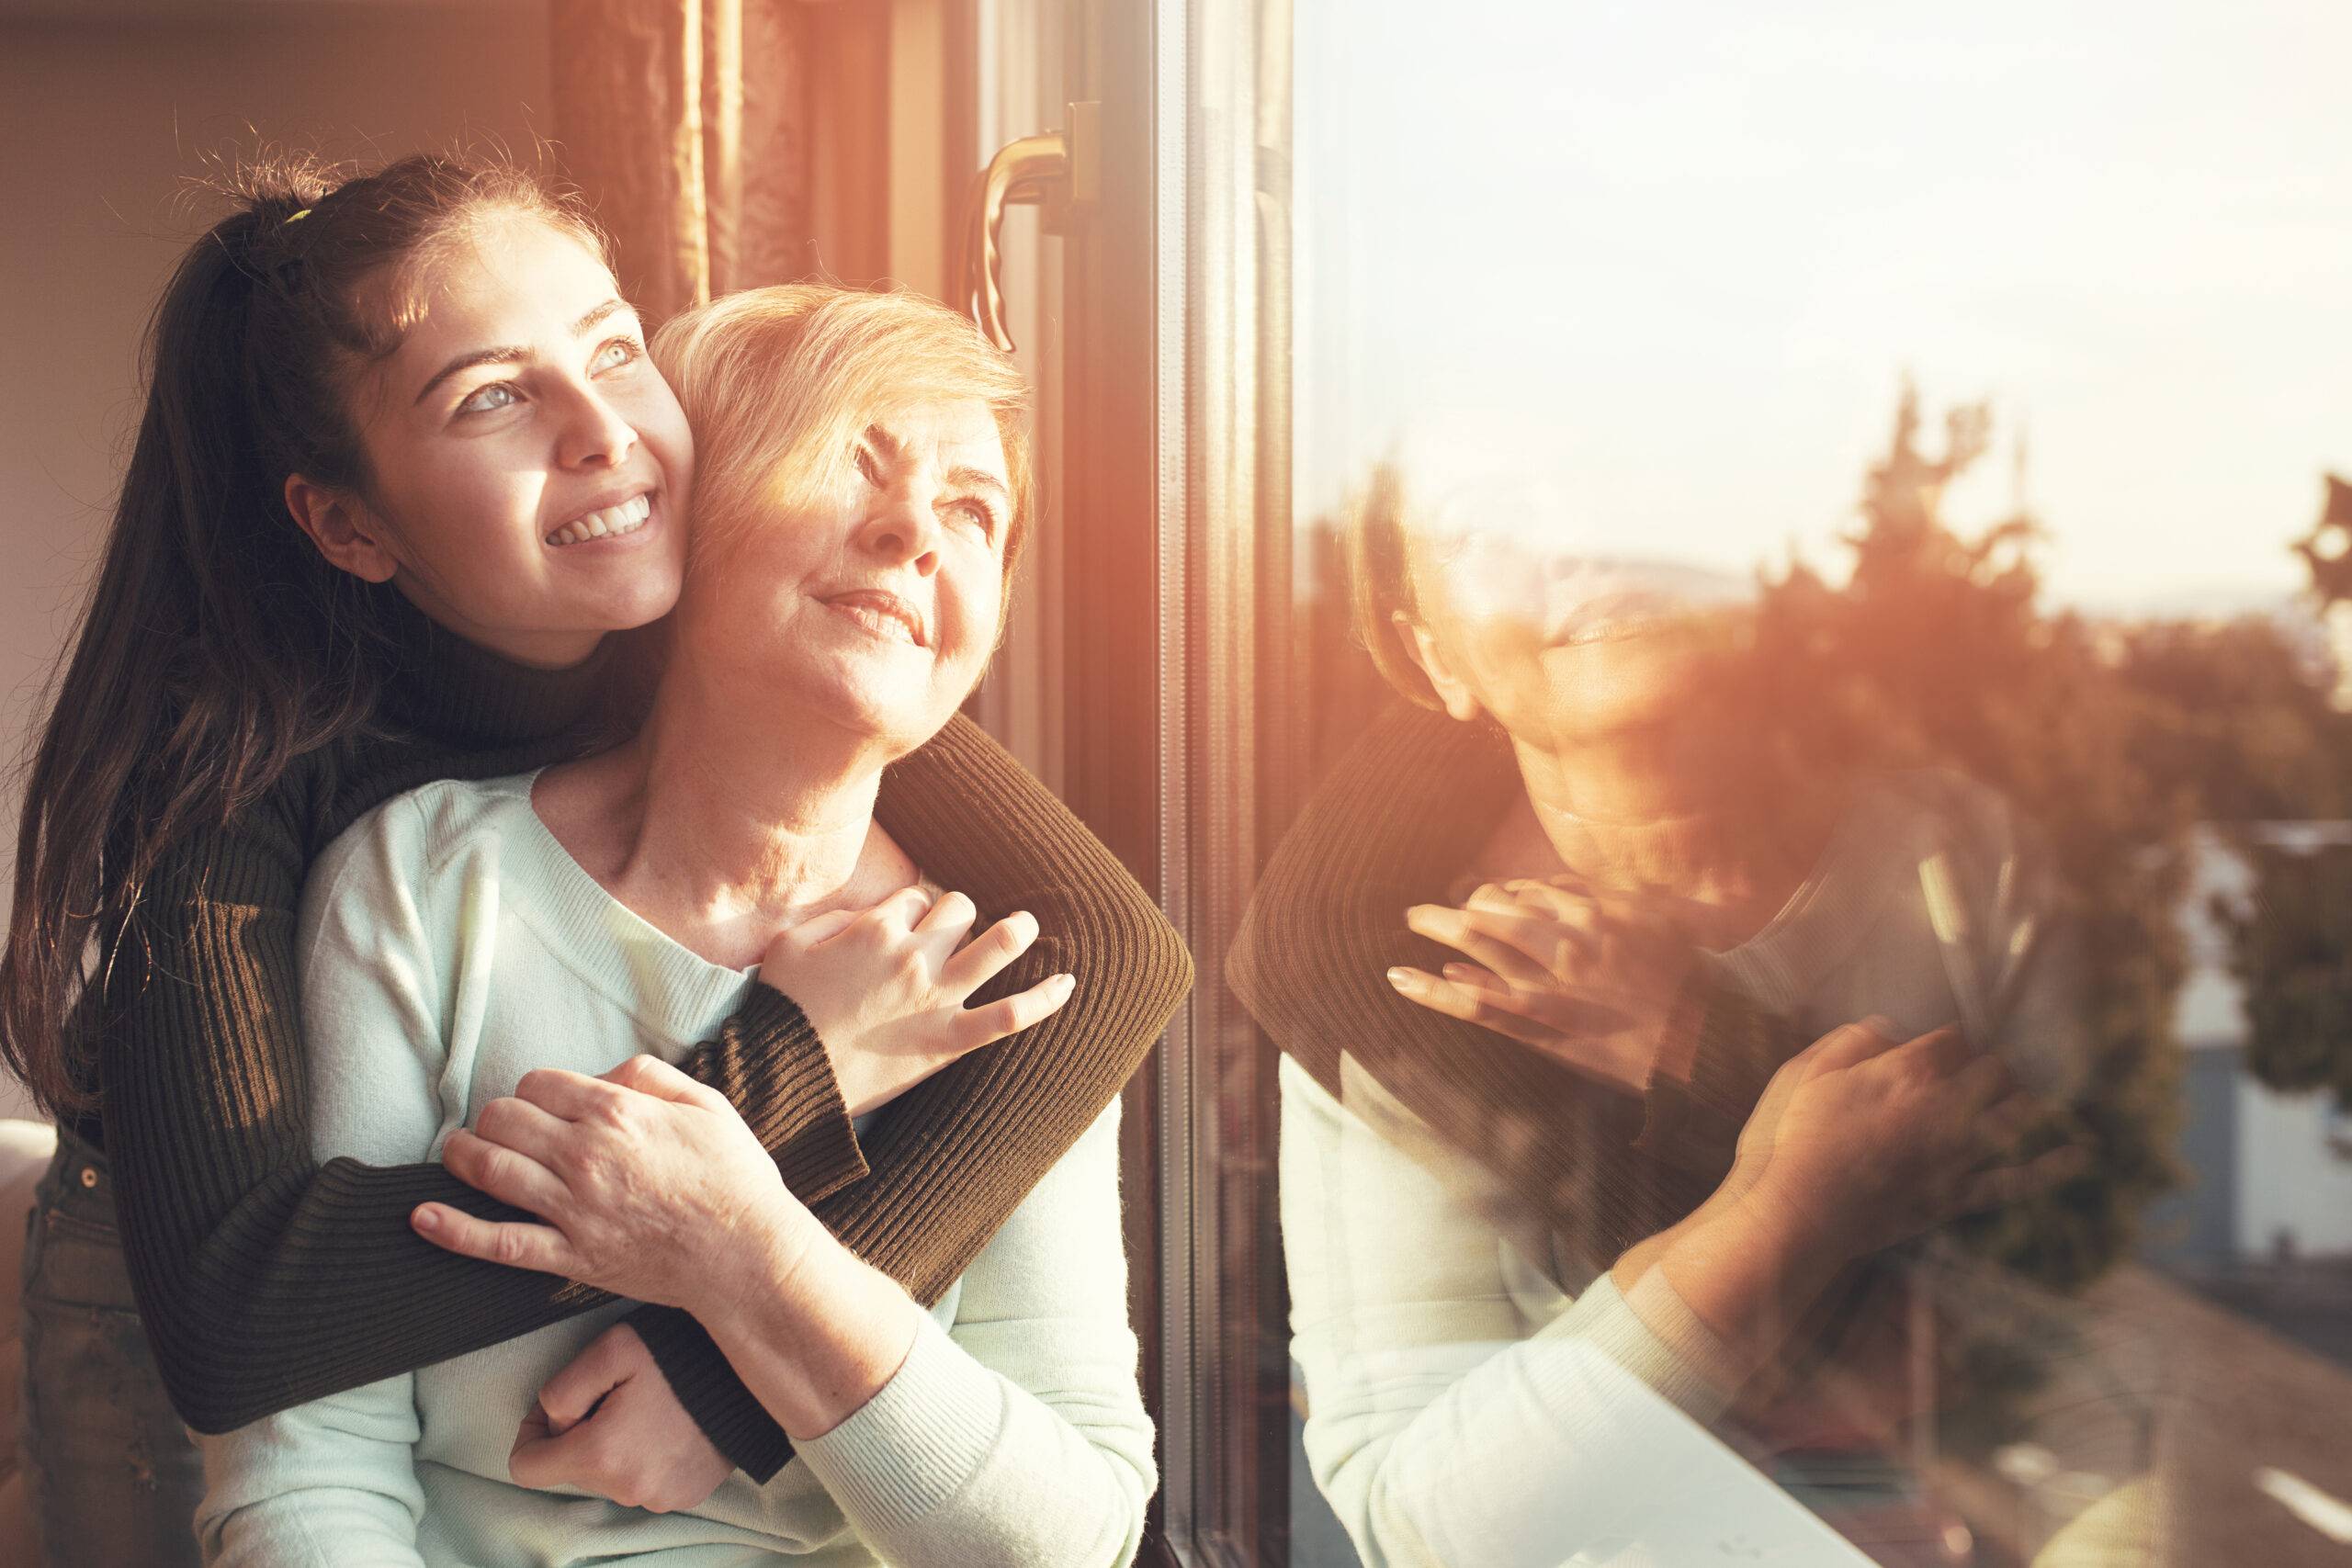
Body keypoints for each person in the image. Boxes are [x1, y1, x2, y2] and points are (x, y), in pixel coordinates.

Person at [4, 154, 1187, 1568]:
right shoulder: (245, 771)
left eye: (616, 351)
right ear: (347, 520)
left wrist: (733, 1359)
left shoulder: (761, 637)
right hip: (185, 1270)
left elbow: (1112, 956)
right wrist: (792, 1073)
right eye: (492, 394)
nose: (605, 436)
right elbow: (237, 1317)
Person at [1228, 454, 2143, 1565]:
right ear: (1433, 656)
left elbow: (2099, 1358)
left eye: (1627, 455)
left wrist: (1693, 1042)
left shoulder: (1973, 865)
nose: (1575, 523)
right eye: (1484, 515)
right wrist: (1786, 1210)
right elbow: (1419, 1521)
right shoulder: (1407, 993)